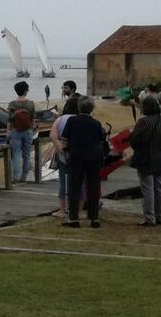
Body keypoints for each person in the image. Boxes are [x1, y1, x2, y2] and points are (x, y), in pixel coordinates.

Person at [60, 97, 105, 228]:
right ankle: (94, 218)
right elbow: (100, 141)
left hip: (76, 156)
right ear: (92, 109)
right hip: (93, 157)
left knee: (74, 187)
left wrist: (67, 150)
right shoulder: (96, 123)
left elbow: (64, 140)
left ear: (79, 108)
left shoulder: (72, 121)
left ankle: (73, 219)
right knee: (93, 187)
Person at [129, 97, 161, 226]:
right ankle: (160, 216)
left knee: (147, 188)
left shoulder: (143, 122)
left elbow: (134, 140)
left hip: (146, 157)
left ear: (146, 107)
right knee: (160, 187)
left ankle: (149, 217)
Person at [48, 97, 80, 217]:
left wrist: (61, 149)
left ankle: (62, 209)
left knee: (63, 182)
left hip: (63, 155)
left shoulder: (60, 119)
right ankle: (78, 209)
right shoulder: (80, 119)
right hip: (78, 154)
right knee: (79, 181)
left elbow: (53, 137)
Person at [7, 81, 36, 182]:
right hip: (28, 131)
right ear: (25, 90)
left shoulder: (12, 104)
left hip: (16, 131)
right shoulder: (30, 104)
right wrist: (32, 130)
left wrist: (8, 131)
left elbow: (9, 120)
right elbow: (32, 119)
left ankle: (15, 177)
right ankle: (24, 177)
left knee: (16, 154)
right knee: (27, 154)